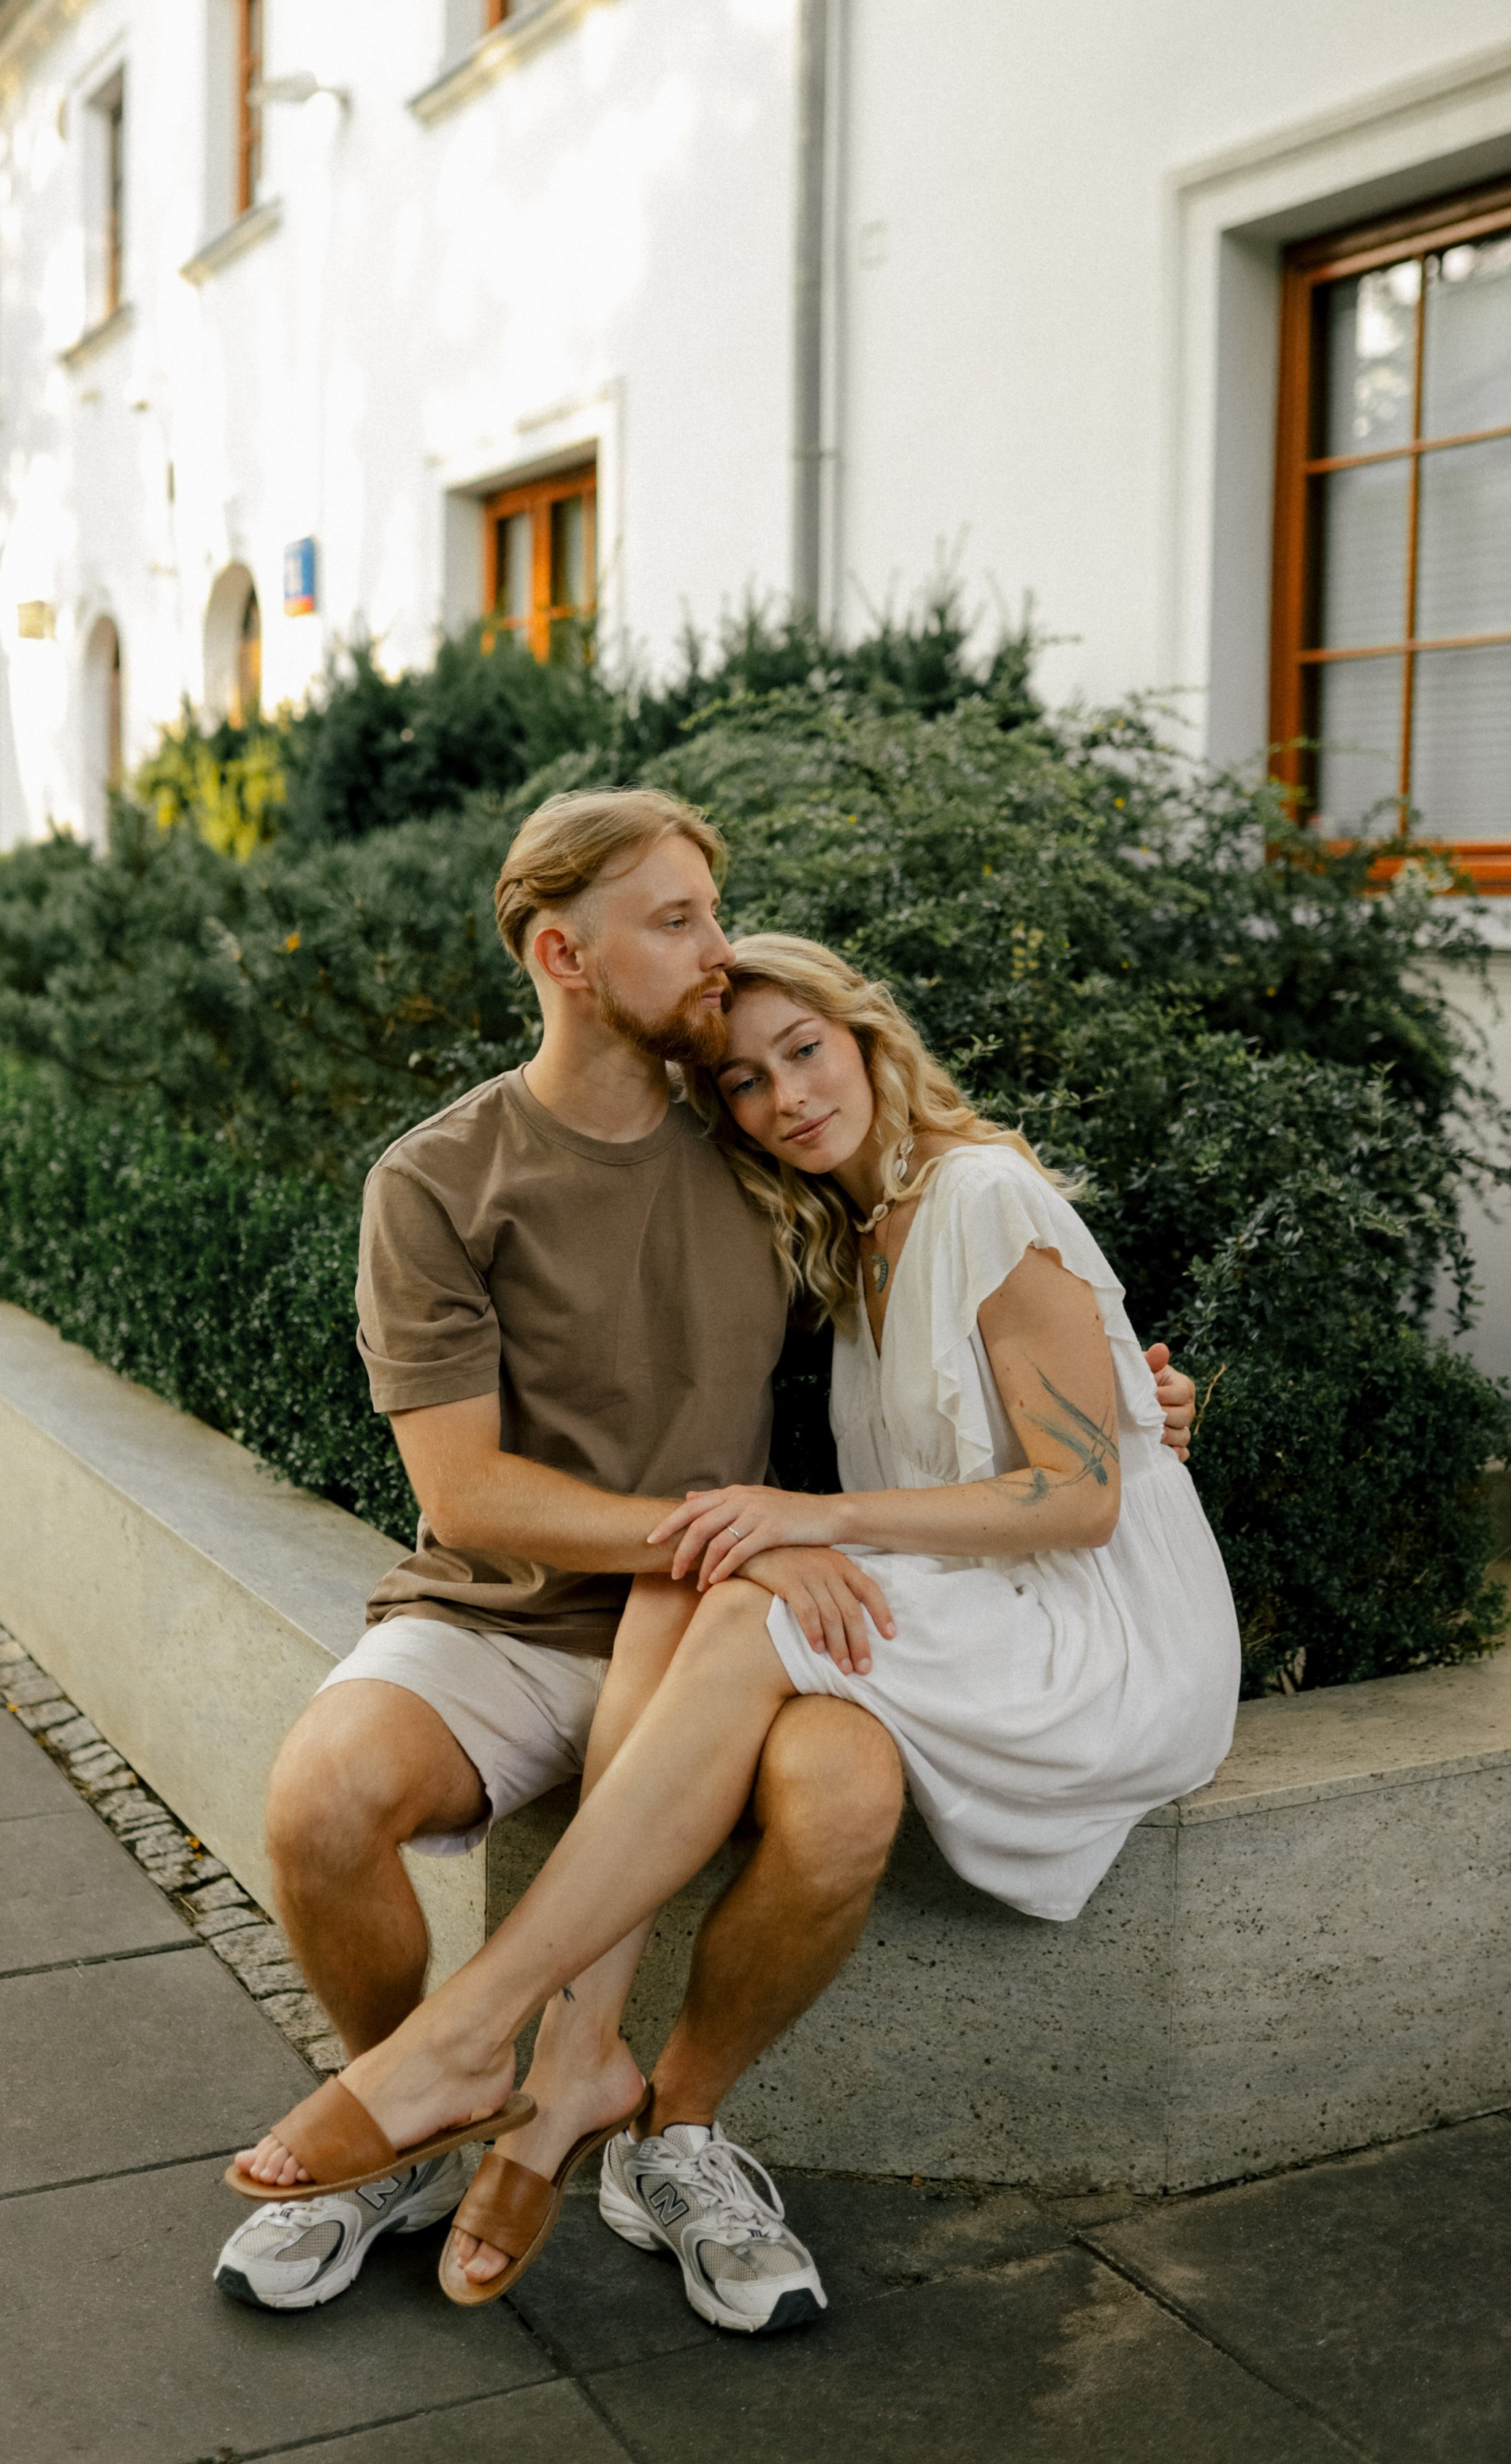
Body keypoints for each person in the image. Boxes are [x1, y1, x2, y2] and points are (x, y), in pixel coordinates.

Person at [218, 793, 1198, 2331]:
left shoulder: (762, 1158)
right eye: (673, 920)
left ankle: (665, 2128)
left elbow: (969, 1312)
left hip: (730, 1607)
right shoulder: (436, 1180)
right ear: (563, 952)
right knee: (320, 1793)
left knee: (843, 1793)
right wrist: (743, 1527)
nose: (714, 951)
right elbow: (465, 1491)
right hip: (517, 1614)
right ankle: (410, 2125)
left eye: (713, 915)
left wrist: (1126, 1408)